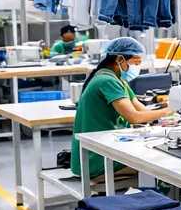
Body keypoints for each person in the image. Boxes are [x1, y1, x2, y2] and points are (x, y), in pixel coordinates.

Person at [70, 37, 173, 178]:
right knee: (159, 165)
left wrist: (170, 108)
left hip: (102, 148)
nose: (138, 67)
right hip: (94, 159)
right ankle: (156, 199)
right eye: (136, 63)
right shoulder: (107, 81)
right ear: (120, 60)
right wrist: (169, 111)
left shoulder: (118, 81)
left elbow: (142, 111)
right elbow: (134, 117)